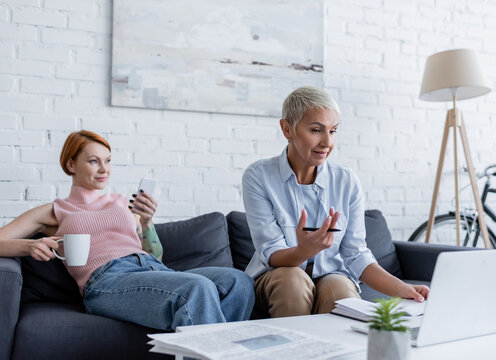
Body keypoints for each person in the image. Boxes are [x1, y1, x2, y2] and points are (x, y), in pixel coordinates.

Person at [0, 130, 254, 330]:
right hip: (105, 282)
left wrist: (146, 223)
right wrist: (30, 245)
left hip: (152, 270)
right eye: (93, 161)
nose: (104, 169)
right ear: (71, 165)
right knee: (196, 288)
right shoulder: (56, 210)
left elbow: (155, 255)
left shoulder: (124, 204)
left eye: (108, 161)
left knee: (239, 282)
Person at [242, 86, 429, 317]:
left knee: (340, 289)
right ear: (287, 128)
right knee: (294, 280)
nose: (327, 142)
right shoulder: (259, 176)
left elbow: (357, 254)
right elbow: (272, 253)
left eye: (333, 131)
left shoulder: (346, 181)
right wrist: (303, 250)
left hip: (331, 276)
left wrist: (401, 288)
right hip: (276, 277)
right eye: (316, 130)